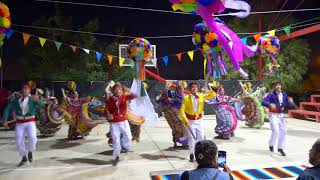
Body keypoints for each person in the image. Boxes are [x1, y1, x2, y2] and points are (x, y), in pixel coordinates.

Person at [2, 82, 44, 166]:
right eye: (23, 88)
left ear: (29, 90)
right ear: (21, 90)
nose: (24, 90)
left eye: (26, 88)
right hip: (20, 123)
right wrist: (5, 120)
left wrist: (38, 100)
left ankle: (30, 151)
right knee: (18, 141)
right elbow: (7, 109)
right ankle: (24, 157)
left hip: (30, 122)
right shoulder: (16, 100)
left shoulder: (33, 98)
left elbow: (42, 105)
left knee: (33, 138)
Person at [180, 83, 216, 162]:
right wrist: (185, 121)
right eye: (192, 88)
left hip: (199, 120)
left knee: (201, 137)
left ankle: (201, 153)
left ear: (197, 89)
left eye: (196, 88)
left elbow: (212, 95)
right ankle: (191, 153)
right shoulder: (186, 98)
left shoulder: (201, 95)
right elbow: (182, 110)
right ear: (190, 89)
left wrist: (210, 89)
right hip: (190, 121)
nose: (194, 89)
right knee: (192, 138)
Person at [105, 83, 137, 166]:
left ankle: (126, 146)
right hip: (114, 123)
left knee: (128, 136)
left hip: (123, 121)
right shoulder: (110, 99)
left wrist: (125, 88)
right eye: (116, 90)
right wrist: (109, 114)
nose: (118, 91)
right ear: (114, 91)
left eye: (119, 90)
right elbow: (107, 109)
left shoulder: (124, 97)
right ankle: (117, 156)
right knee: (115, 139)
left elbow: (135, 95)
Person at [262, 80, 295, 156]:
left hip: (281, 115)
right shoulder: (271, 95)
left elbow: (287, 104)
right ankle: (271, 144)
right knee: (276, 131)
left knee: (283, 131)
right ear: (274, 87)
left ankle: (280, 148)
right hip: (273, 115)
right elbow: (263, 102)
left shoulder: (284, 95)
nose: (278, 86)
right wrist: (269, 105)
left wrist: (291, 102)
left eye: (279, 85)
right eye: (276, 85)